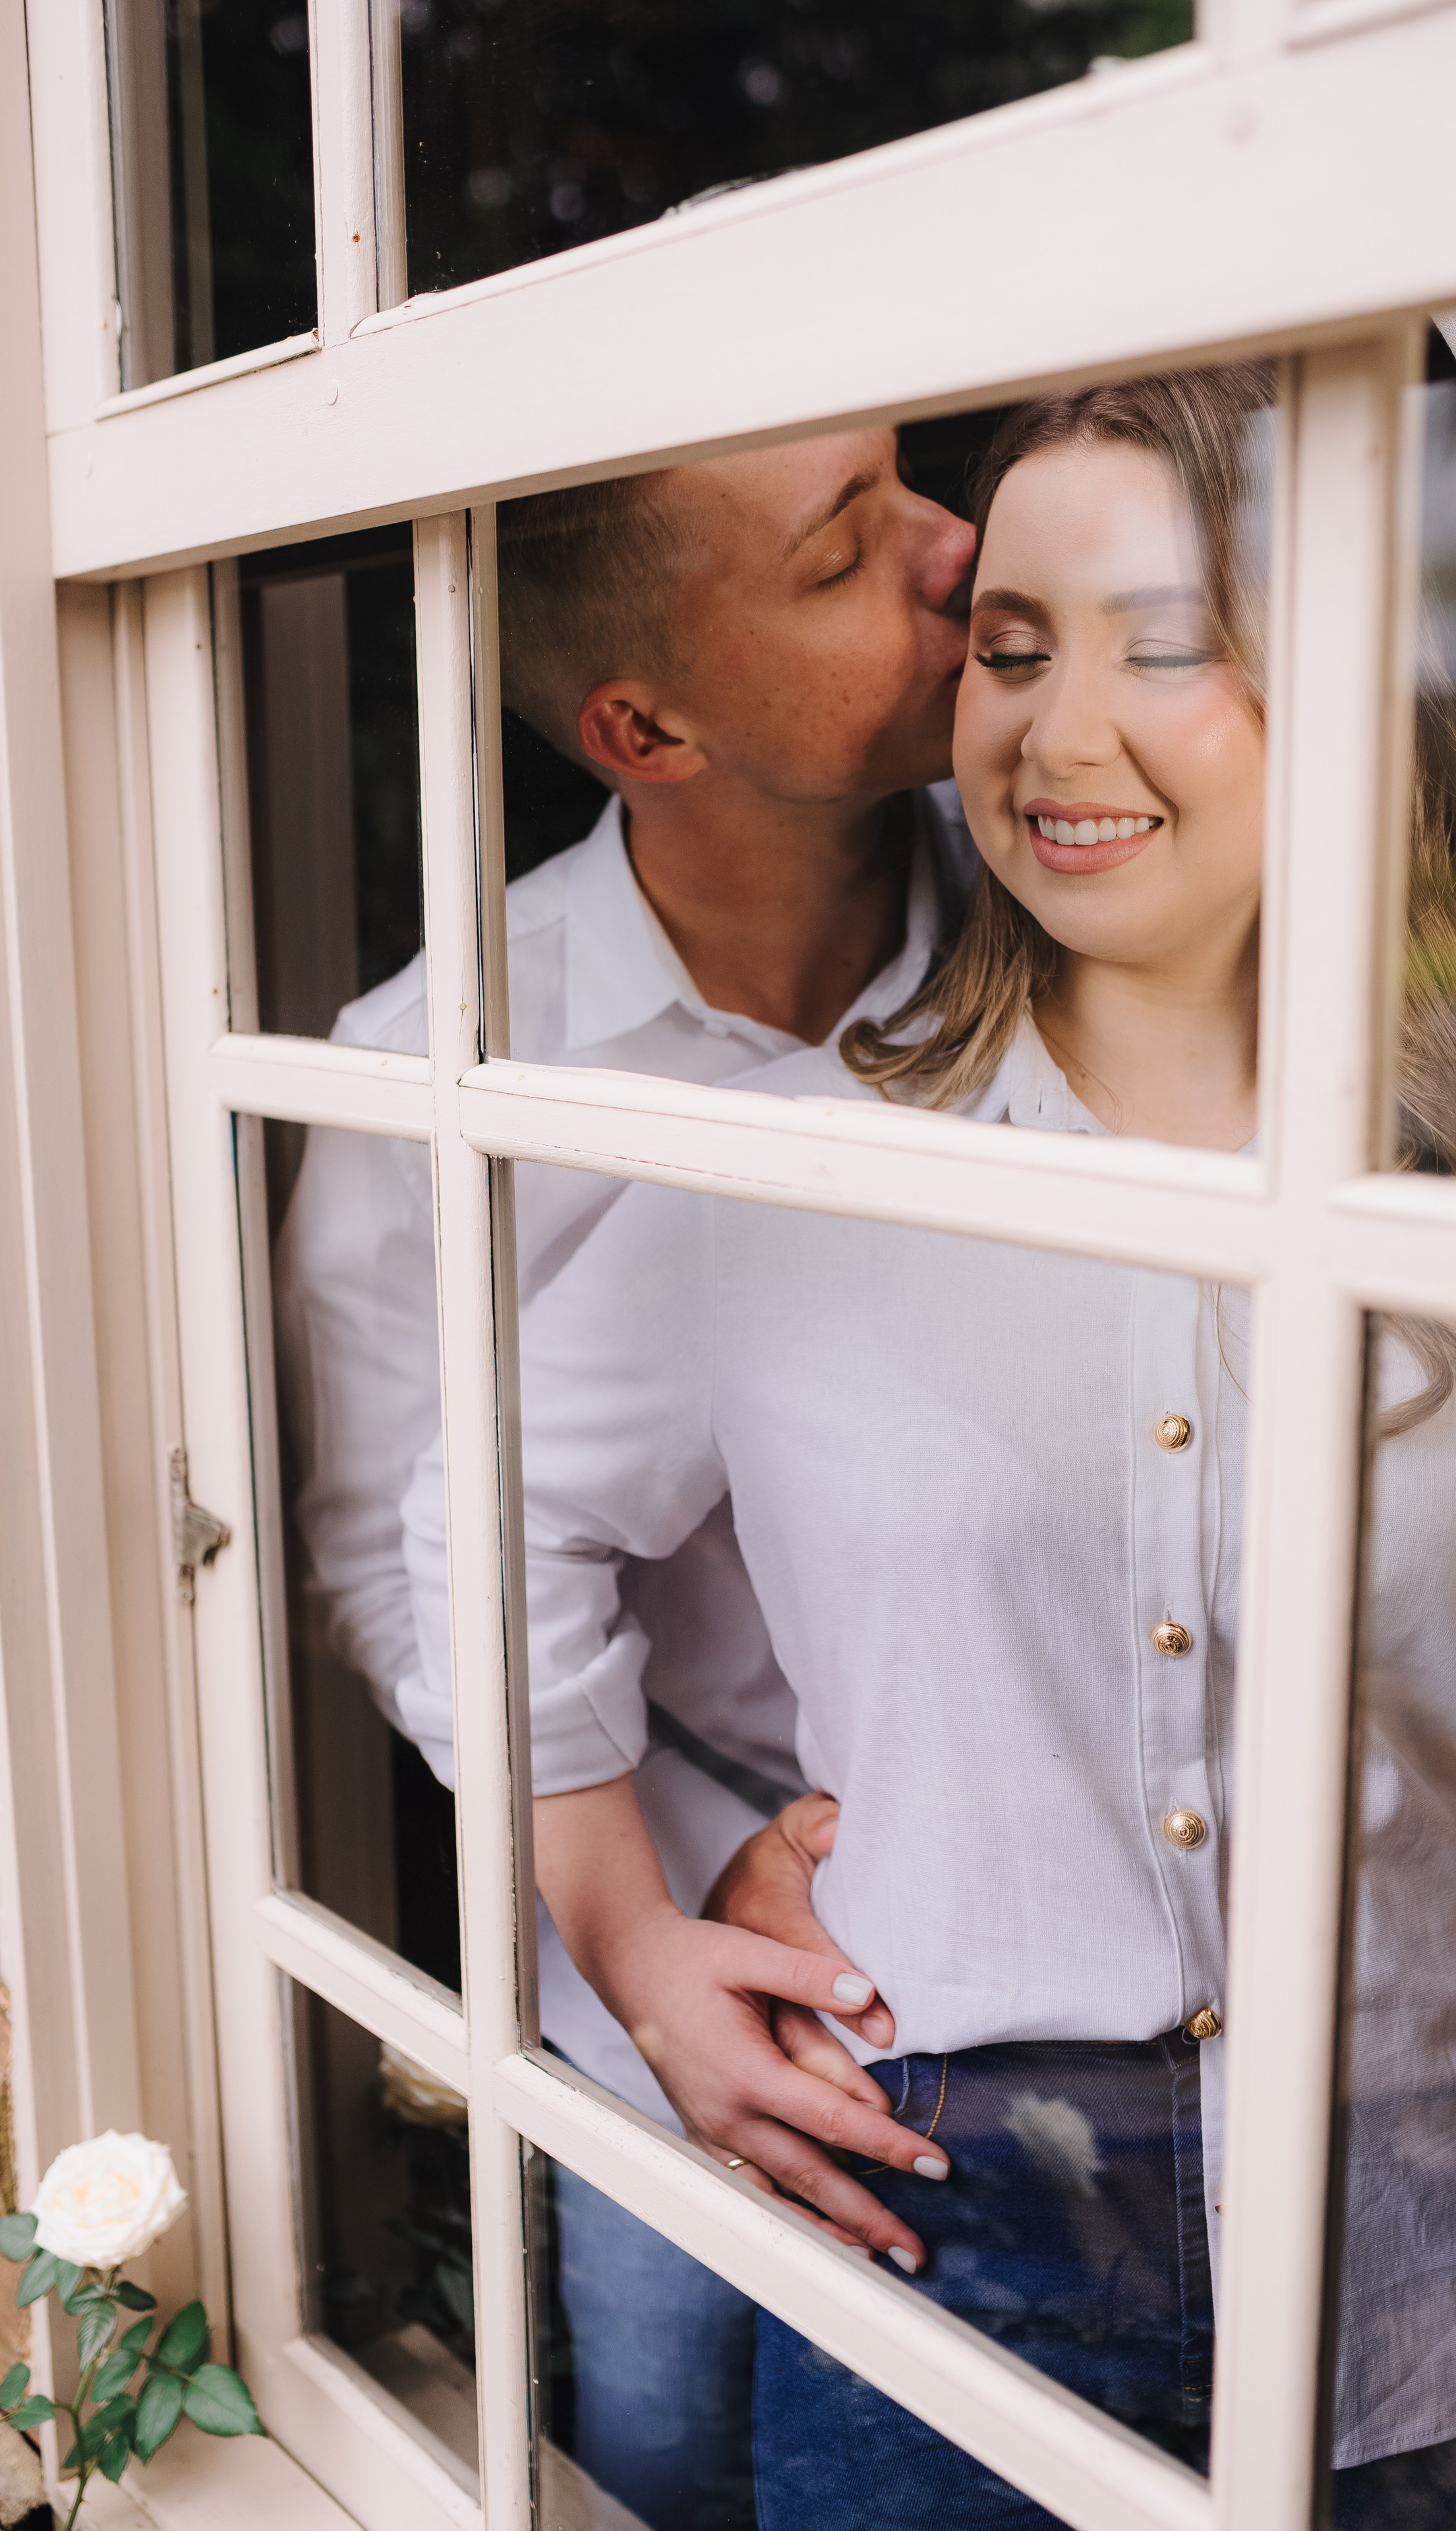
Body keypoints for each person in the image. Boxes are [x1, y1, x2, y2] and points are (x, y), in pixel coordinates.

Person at [403, 363, 1456, 2526]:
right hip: (937, 2259)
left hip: (1445, 2248)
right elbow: (489, 1520)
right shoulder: (772, 1175)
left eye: (1164, 646)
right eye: (1010, 646)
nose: (1054, 729)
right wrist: (623, 1938)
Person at [273, 425, 977, 2529]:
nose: (958, 544)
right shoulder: (431, 1075)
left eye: (912, 488)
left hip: (1078, 1922)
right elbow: (398, 1570)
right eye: (850, 553)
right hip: (659, 1943)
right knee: (667, 2442)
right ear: (642, 723)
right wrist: (651, 1930)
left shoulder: (1084, 927)